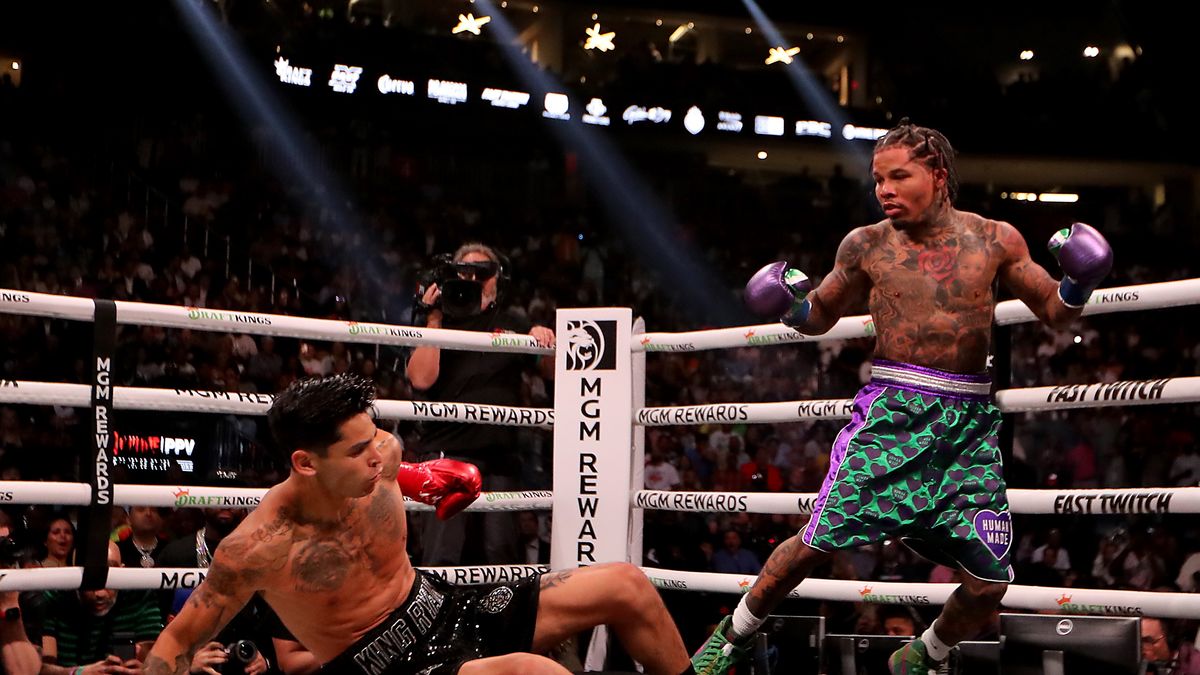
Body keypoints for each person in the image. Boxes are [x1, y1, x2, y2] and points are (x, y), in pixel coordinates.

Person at [693, 120, 1113, 675]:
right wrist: (790, 303)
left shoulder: (995, 239)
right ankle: (733, 635)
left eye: (898, 176)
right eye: (877, 180)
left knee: (989, 582)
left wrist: (1079, 280)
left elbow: (1057, 311)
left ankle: (922, 656)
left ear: (937, 177)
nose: (883, 190)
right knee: (817, 541)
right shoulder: (866, 245)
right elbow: (820, 315)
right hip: (893, 414)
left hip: (968, 428)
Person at [146, 374, 695, 675]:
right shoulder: (257, 548)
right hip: (381, 664)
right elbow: (174, 643)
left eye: (375, 438)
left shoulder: (381, 453)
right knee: (535, 674)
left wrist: (424, 478)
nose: (377, 456)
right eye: (359, 451)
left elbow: (397, 472)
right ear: (306, 463)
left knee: (626, 584)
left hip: (439, 605)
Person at [406, 242, 555, 566]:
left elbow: (552, 372)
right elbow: (421, 379)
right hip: (446, 452)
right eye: (466, 271)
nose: (473, 278)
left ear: (498, 279)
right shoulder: (438, 317)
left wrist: (544, 339)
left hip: (500, 457)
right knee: (443, 557)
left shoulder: (512, 319)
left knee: (499, 558)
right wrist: (433, 318)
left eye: (482, 272)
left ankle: (498, 619)